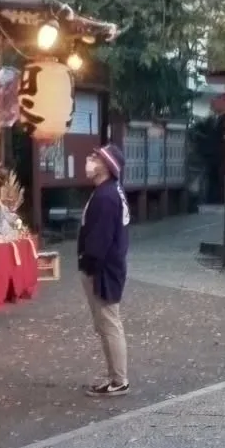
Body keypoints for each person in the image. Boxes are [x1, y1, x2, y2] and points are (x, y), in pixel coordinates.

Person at [77, 144, 131, 395]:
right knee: (107, 323)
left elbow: (100, 239)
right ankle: (115, 376)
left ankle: (119, 380)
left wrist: (88, 264)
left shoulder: (106, 196)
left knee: (109, 324)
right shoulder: (109, 192)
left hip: (103, 271)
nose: (89, 159)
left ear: (106, 166)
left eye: (95, 157)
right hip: (110, 267)